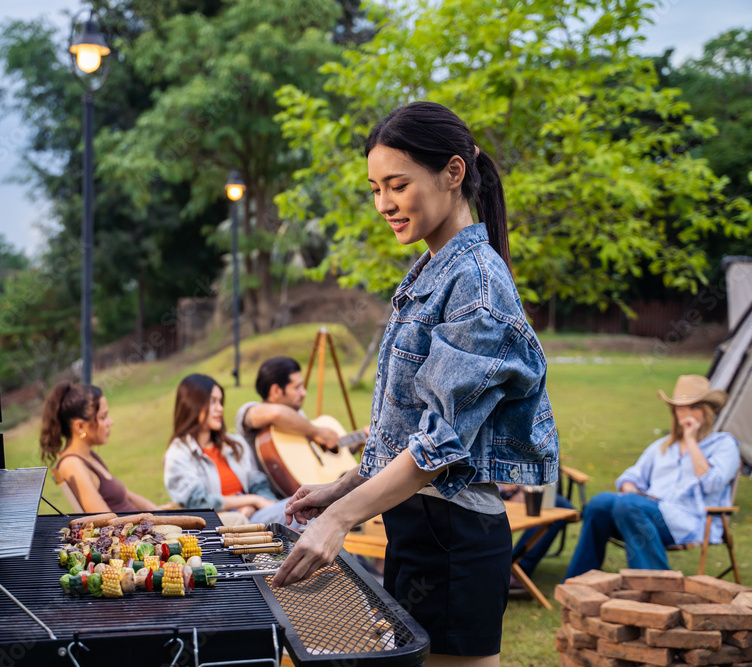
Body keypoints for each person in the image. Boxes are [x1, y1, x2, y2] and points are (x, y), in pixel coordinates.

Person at [271, 101, 559, 666]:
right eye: (375, 189)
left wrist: (339, 518)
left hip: (453, 542)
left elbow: (440, 447)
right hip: (418, 529)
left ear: (453, 173)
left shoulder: (476, 284)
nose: (384, 204)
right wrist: (343, 488)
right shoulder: (434, 267)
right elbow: (409, 431)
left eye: (397, 185)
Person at [564, 375, 740, 579]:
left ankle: (656, 584)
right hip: (642, 513)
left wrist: (691, 441)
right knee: (599, 503)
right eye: (681, 408)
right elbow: (631, 476)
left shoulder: (723, 444)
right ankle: (578, 581)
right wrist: (630, 490)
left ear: (707, 412)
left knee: (629, 505)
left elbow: (713, 483)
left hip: (691, 521)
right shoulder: (663, 446)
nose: (686, 415)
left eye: (694, 408)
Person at [164, 373, 305, 527]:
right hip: (221, 524)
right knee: (303, 512)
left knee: (306, 508)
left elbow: (258, 484)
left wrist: (254, 505)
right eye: (213, 402)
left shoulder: (235, 444)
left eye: (220, 401)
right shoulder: (179, 453)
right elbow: (199, 503)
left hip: (253, 515)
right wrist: (252, 500)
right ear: (192, 404)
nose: (220, 408)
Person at [40, 381, 163, 513]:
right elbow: (106, 520)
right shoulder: (72, 464)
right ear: (80, 426)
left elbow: (128, 496)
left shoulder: (88, 456)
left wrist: (158, 512)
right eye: (103, 417)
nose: (111, 422)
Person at [235, 356, 341, 453]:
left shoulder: (298, 414)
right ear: (276, 391)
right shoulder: (248, 410)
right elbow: (276, 413)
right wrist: (316, 432)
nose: (304, 393)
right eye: (297, 387)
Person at [499, 484, 575, 595]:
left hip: (523, 489)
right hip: (485, 493)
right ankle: (503, 570)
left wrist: (522, 491)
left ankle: (518, 567)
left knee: (560, 504)